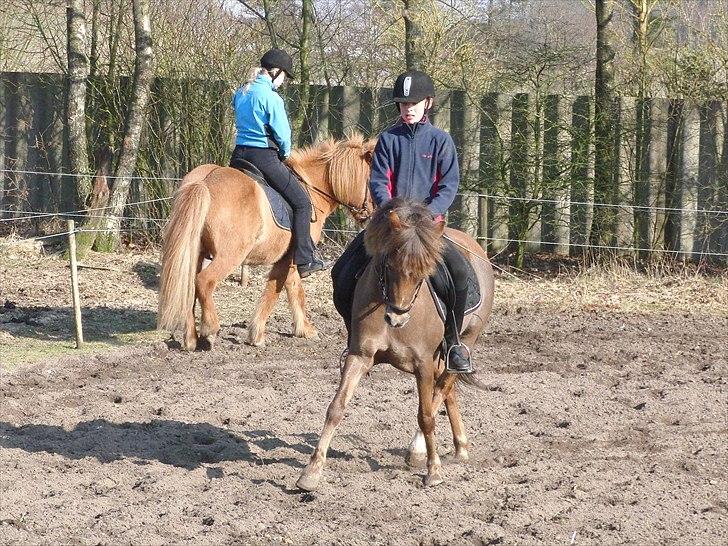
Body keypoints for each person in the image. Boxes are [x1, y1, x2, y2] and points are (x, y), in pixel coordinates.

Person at [333, 69, 474, 374]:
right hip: (390, 227)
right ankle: (354, 338)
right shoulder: (387, 139)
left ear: (428, 103)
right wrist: (389, 211)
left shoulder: (441, 141)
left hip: (425, 230)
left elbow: (448, 186)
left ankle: (452, 344)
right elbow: (379, 181)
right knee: (341, 273)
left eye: (413, 103)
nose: (407, 108)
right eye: (402, 103)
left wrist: (426, 217)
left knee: (460, 274)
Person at [229, 48, 328, 278]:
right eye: (285, 76)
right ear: (276, 72)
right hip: (264, 157)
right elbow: (283, 135)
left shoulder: (241, 92)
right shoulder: (272, 98)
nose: (284, 82)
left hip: (239, 155)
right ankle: (305, 259)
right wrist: (284, 153)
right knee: (303, 202)